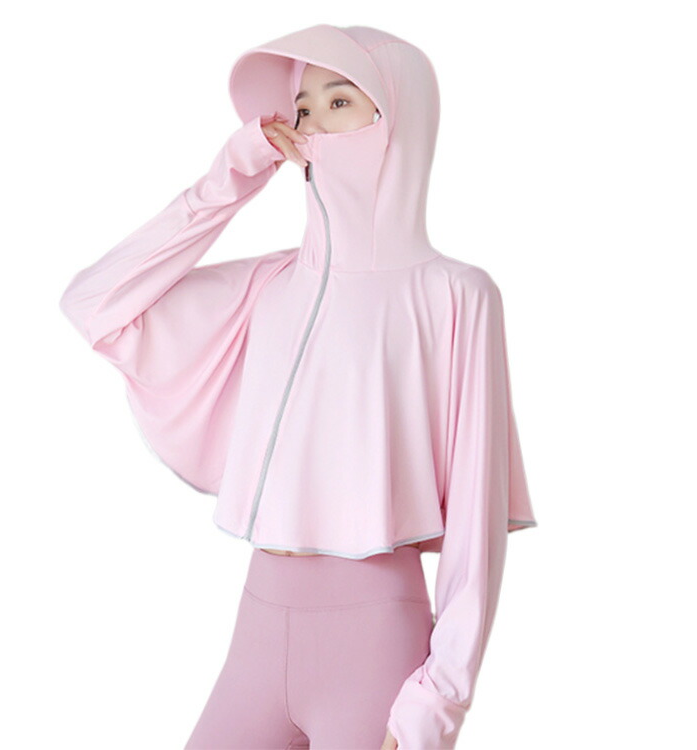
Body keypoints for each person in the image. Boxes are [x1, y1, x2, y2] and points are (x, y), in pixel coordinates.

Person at [59, 24, 538, 750]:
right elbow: (95, 305)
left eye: (339, 101)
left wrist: (437, 701)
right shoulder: (270, 286)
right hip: (258, 627)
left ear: (398, 116)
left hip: (376, 644)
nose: (311, 123)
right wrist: (236, 170)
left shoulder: (456, 295)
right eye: (303, 108)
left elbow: (475, 522)